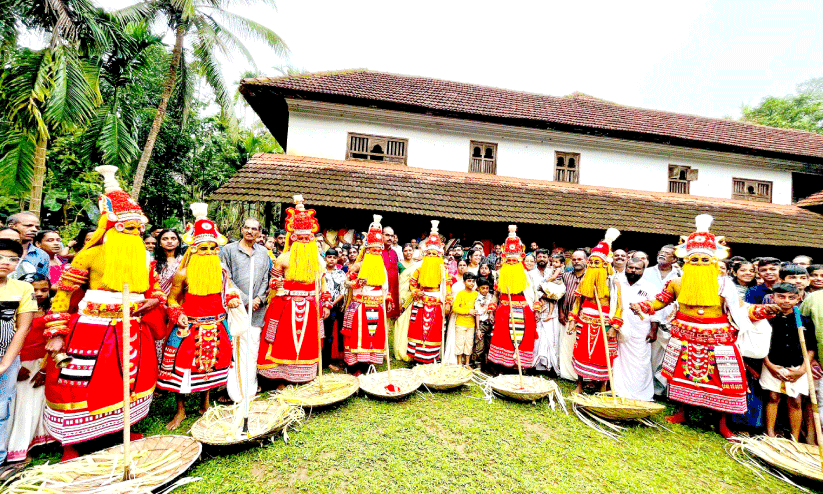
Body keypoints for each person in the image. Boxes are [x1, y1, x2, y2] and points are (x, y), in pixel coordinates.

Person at [42, 166, 166, 461]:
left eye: (139, 228)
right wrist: (57, 335)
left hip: (134, 329)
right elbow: (63, 298)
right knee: (78, 382)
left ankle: (122, 429)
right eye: (128, 227)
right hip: (93, 331)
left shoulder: (144, 257)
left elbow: (156, 290)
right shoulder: (90, 254)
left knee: (132, 379)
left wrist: (154, 302)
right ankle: (71, 443)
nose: (135, 233)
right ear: (110, 226)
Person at [631, 215, 772, 439]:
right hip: (684, 335)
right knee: (681, 375)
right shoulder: (677, 282)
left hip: (717, 338)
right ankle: (681, 412)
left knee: (724, 379)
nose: (698, 263)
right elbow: (660, 301)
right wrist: (642, 306)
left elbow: (740, 309)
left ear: (713, 261)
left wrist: (763, 311)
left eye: (704, 260)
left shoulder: (724, 285)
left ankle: (722, 423)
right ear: (687, 261)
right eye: (693, 259)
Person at [158, 204, 240, 429]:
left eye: (214, 249)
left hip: (217, 324)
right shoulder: (182, 273)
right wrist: (176, 314)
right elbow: (171, 299)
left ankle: (205, 404)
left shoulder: (221, 271)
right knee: (182, 367)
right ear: (193, 249)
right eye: (204, 248)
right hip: (189, 326)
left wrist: (232, 297)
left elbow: (229, 288)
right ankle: (181, 410)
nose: (210, 253)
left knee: (213, 366)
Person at [259, 196, 331, 384]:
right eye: (300, 238)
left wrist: (326, 304)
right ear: (293, 238)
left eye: (307, 238)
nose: (304, 241)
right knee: (283, 342)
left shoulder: (317, 260)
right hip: (286, 306)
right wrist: (277, 285)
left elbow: (323, 284)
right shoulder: (283, 259)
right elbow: (272, 281)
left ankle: (304, 377)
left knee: (308, 342)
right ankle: (281, 377)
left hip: (311, 306)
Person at [5, 274, 55, 466]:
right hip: (18, 364)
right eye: (34, 289)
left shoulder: (53, 310)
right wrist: (14, 365)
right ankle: (16, 448)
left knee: (36, 404)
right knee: (19, 407)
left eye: (44, 289)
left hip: (42, 363)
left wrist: (44, 369)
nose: (39, 294)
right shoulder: (11, 309)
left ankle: (38, 442)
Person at [569, 229, 623, 394]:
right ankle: (580, 383)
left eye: (596, 263)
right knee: (581, 352)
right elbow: (577, 302)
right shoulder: (584, 281)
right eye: (591, 263)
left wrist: (614, 327)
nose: (593, 266)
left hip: (605, 324)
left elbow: (619, 307)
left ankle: (602, 385)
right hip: (585, 322)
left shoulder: (614, 283)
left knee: (604, 354)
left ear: (605, 265)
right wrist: (572, 320)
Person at [220, 217, 270, 396]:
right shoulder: (228, 250)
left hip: (257, 310)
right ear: (241, 229)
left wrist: (258, 299)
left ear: (259, 232)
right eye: (247, 228)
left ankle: (250, 388)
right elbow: (226, 278)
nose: (250, 231)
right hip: (236, 308)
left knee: (253, 349)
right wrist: (245, 300)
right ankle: (234, 391)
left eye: (254, 229)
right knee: (234, 349)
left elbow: (266, 278)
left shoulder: (263, 252)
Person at [761, 284, 815, 441]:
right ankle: (770, 434)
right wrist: (769, 365)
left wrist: (803, 370)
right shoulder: (766, 319)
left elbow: (811, 348)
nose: (786, 301)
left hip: (797, 366)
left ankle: (794, 439)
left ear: (798, 299)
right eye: (781, 296)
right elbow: (760, 345)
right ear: (773, 297)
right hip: (772, 364)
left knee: (796, 400)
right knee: (772, 397)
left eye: (791, 297)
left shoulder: (804, 320)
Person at [0, 239, 36, 468]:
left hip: (6, 358)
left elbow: (23, 328)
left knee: (2, 408)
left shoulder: (23, 288)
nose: (5, 263)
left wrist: (5, 364)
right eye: (0, 257)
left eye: (12, 259)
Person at [342, 215, 393, 375]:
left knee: (373, 336)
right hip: (360, 305)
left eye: (379, 250)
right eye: (373, 250)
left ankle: (368, 366)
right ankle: (354, 366)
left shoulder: (382, 268)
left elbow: (386, 287)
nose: (376, 252)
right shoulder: (358, 265)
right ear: (367, 250)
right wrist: (355, 284)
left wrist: (388, 297)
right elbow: (346, 281)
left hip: (377, 306)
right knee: (357, 336)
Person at [488, 225, 538, 370]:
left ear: (519, 260)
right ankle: (503, 367)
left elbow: (534, 297)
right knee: (502, 339)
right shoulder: (500, 275)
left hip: (524, 313)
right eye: (508, 261)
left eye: (514, 261)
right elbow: (495, 296)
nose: (511, 263)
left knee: (523, 340)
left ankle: (520, 367)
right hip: (504, 312)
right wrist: (491, 311)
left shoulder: (527, 276)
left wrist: (536, 311)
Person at [404, 221, 451, 364]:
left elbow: (447, 289)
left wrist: (447, 303)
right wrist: (415, 291)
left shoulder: (443, 270)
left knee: (433, 332)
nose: (431, 255)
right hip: (421, 303)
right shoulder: (420, 268)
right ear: (425, 253)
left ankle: (430, 358)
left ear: (439, 254)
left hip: (436, 304)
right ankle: (416, 358)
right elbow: (412, 283)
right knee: (417, 330)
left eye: (434, 253)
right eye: (429, 253)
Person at [612, 258, 657, 401]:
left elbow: (657, 311)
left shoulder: (650, 287)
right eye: (630, 267)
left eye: (637, 268)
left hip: (640, 330)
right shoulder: (618, 283)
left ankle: (640, 393)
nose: (633, 270)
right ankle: (618, 389)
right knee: (618, 359)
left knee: (640, 361)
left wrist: (654, 330)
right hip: (619, 327)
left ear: (643, 270)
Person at [641, 244, 681, 398]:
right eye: (661, 252)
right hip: (646, 320)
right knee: (647, 355)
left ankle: (660, 391)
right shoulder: (647, 272)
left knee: (665, 358)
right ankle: (645, 387)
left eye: (667, 253)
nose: (662, 255)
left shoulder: (679, 276)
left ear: (674, 258)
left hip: (669, 324)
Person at [532, 250, 565, 374]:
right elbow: (532, 290)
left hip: (552, 308)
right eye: (539, 256)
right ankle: (536, 364)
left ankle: (549, 365)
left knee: (551, 336)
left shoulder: (553, 271)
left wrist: (551, 295)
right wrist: (545, 295)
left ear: (548, 258)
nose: (542, 258)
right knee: (538, 336)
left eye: (544, 256)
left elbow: (560, 291)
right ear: (536, 259)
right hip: (537, 308)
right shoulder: (531, 274)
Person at [558, 250, 588, 381]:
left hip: (584, 319)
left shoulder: (590, 277)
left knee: (580, 347)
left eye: (580, 259)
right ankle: (566, 373)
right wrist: (560, 312)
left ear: (586, 260)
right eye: (574, 259)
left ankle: (581, 374)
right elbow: (560, 296)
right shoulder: (566, 276)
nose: (576, 262)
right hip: (565, 317)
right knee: (565, 346)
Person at [394, 243, 421, 361]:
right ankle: (399, 349)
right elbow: (396, 281)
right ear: (403, 252)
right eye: (406, 251)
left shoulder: (417, 266)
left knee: (411, 323)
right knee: (400, 322)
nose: (408, 253)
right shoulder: (399, 265)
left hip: (413, 297)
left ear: (413, 251)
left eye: (410, 250)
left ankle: (409, 350)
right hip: (401, 297)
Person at [322, 248, 347, 370]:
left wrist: (331, 303)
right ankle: (319, 361)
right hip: (321, 307)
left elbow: (343, 292)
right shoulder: (320, 273)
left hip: (335, 307)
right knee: (322, 334)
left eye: (334, 258)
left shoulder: (341, 273)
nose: (331, 260)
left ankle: (330, 361)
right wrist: (325, 304)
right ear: (325, 258)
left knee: (332, 334)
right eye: (329, 257)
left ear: (337, 259)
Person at [6, 212, 48, 280]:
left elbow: (42, 282)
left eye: (37, 227)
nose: (34, 230)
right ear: (12, 226)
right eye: (28, 226)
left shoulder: (42, 255)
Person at [451, 273, 478, 367]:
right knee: (459, 343)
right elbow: (455, 308)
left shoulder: (476, 294)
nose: (471, 283)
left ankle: (467, 364)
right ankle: (459, 364)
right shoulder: (460, 294)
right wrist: (468, 311)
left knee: (469, 344)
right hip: (460, 323)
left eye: (473, 281)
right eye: (469, 281)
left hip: (471, 324)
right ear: (464, 282)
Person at [472, 277, 495, 370]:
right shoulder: (476, 298)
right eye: (483, 288)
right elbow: (477, 314)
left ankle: (488, 366)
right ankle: (478, 365)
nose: (485, 290)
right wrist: (478, 329)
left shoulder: (491, 296)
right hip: (481, 323)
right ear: (478, 288)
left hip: (490, 323)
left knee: (489, 345)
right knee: (479, 346)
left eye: (487, 288)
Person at [381, 226, 401, 326]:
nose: (390, 238)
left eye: (392, 236)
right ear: (381, 236)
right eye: (387, 235)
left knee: (390, 323)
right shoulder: (376, 252)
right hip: (381, 291)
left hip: (393, 291)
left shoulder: (394, 253)